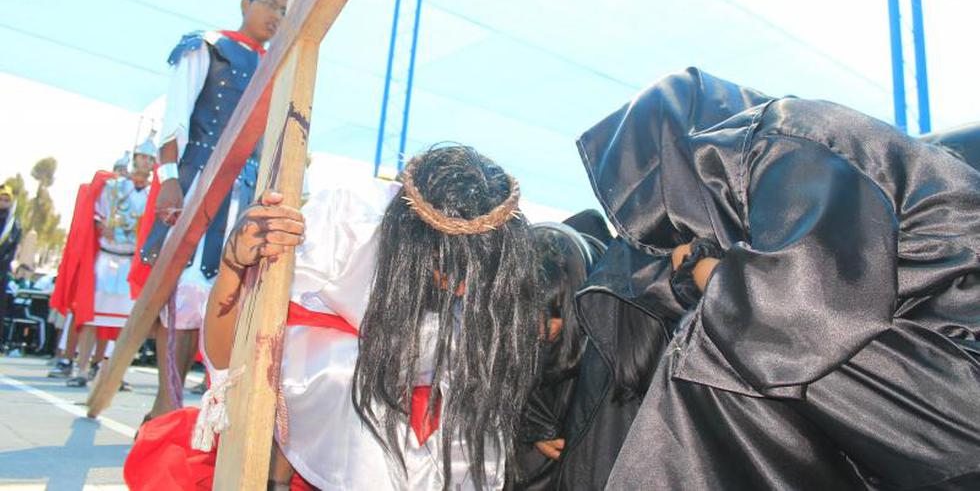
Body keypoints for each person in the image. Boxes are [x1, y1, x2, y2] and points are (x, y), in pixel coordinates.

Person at [577, 67, 980, 489]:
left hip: (960, 378)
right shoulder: (781, 146)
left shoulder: (782, 140)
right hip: (944, 371)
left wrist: (702, 272)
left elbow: (813, 309)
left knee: (727, 338)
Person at [126, 145, 541, 490]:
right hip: (324, 407)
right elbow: (230, 355)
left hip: (414, 425)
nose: (465, 283)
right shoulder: (349, 224)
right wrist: (235, 265)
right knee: (346, 372)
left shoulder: (488, 292)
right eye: (453, 265)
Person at [137, 0, 289, 418]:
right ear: (246, 2)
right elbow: (176, 115)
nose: (277, 16)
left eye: (284, 11)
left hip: (248, 194)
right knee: (184, 292)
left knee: (232, 297)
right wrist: (168, 177)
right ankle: (164, 409)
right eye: (271, 5)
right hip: (200, 182)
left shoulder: (279, 68)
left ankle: (213, 414)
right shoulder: (208, 46)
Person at [515, 221, 602, 490]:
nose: (540, 329)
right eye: (529, 312)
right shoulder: (494, 330)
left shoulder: (600, 345)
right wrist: (527, 427)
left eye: (554, 315)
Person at [66, 141, 154, 387]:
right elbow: (98, 216)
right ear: (135, 158)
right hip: (107, 257)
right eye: (142, 157)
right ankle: (81, 368)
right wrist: (103, 227)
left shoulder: (152, 195)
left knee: (125, 324)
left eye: (150, 158)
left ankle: (114, 373)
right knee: (93, 317)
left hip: (130, 262)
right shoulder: (114, 188)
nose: (146, 162)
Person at [0, 183, 23, 350]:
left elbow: (11, 247)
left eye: (6, 199)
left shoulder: (13, 223)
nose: (3, 201)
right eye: (1, 198)